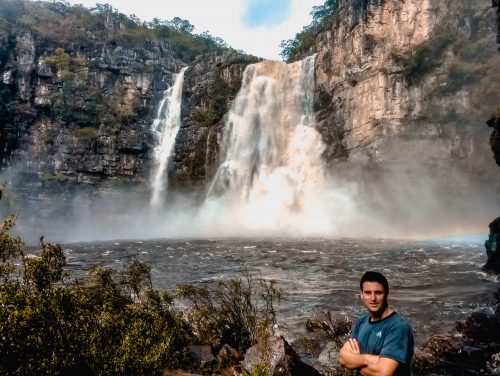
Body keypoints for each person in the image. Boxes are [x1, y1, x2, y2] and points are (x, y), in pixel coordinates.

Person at [339, 271, 414, 376]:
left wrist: (356, 360)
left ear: (387, 293)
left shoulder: (398, 327)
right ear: (361, 294)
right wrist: (369, 359)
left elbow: (384, 373)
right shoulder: (361, 322)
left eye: (378, 293)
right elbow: (343, 358)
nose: (373, 298)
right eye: (368, 293)